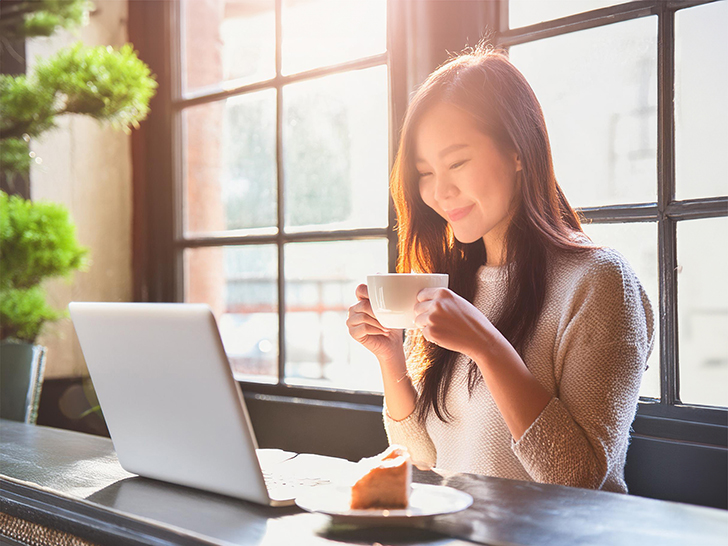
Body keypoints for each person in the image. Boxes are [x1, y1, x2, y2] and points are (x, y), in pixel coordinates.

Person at [346, 45, 654, 493]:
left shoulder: (600, 282)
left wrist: (488, 347)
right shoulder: (453, 283)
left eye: (456, 162)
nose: (440, 190)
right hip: (461, 532)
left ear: (518, 150)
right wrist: (389, 353)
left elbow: (582, 478)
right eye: (425, 172)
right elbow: (422, 457)